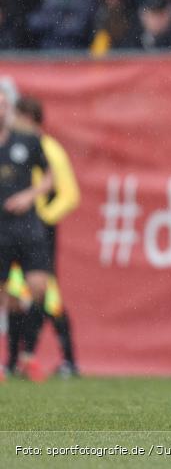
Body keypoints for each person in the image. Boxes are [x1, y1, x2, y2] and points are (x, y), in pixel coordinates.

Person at [12, 97, 81, 377]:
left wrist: (42, 218)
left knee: (47, 293)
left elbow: (69, 194)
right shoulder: (14, 146)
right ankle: (15, 360)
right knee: (17, 292)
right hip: (15, 229)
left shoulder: (49, 149)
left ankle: (69, 359)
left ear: (28, 119)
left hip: (38, 231)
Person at [0, 86, 54, 382]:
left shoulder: (28, 141)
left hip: (28, 228)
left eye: (3, 105)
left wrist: (29, 196)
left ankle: (28, 358)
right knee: (7, 296)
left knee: (39, 288)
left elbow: (50, 177)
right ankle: (17, 308)